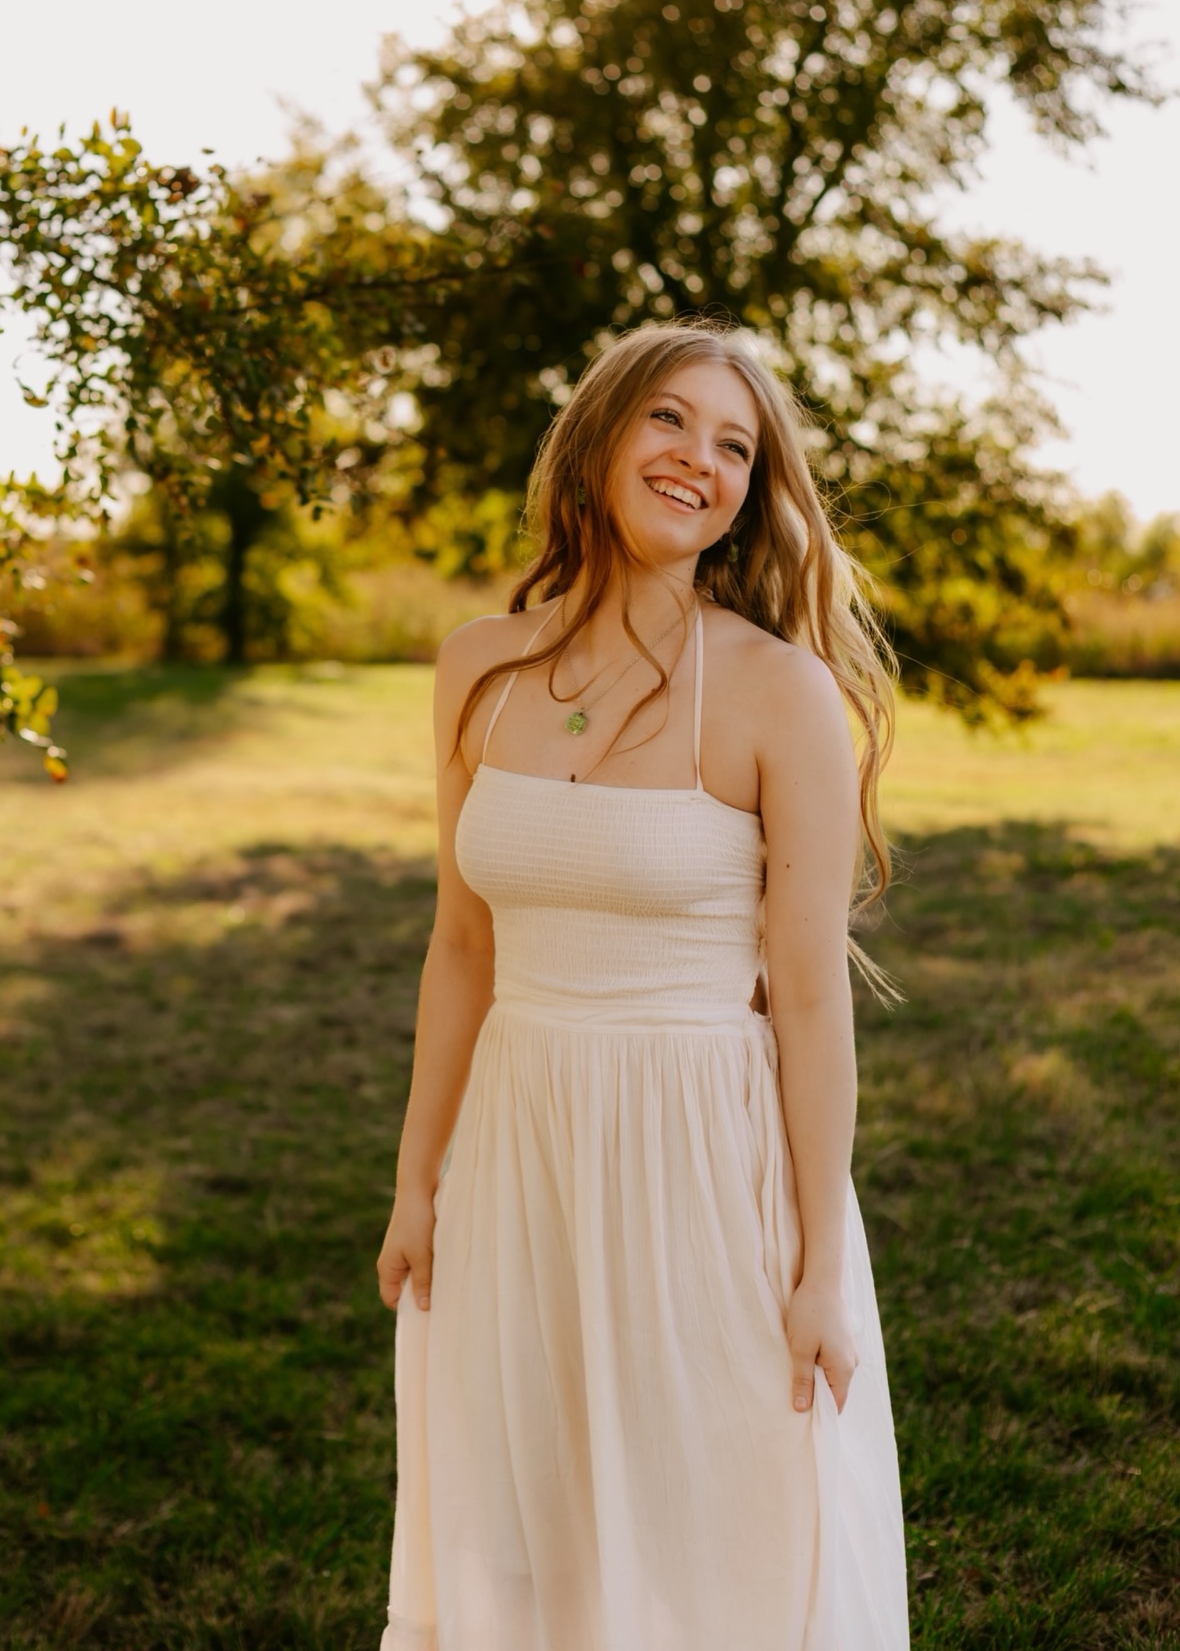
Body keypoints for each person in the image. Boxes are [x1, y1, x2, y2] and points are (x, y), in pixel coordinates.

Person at [375, 318, 909, 1650]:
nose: (699, 459)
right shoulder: (478, 669)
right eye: (672, 420)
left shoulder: (784, 694)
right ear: (603, 435)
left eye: (736, 445)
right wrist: (416, 1183)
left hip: (704, 1162)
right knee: (527, 1533)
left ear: (752, 494)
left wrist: (818, 1267)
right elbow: (462, 947)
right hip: (519, 1149)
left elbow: (807, 994)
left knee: (718, 1533)